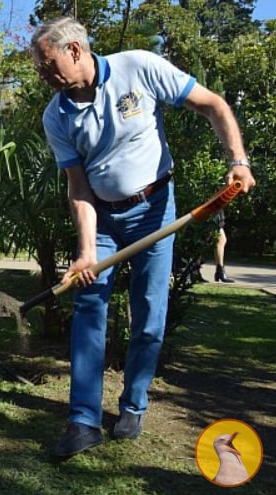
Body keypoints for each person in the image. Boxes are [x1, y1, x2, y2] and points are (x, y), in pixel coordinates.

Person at [30, 17, 255, 460]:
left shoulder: (138, 67)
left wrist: (239, 160)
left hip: (155, 211)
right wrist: (88, 251)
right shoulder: (55, 115)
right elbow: (78, 186)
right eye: (40, 67)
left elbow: (212, 104)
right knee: (89, 307)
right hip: (103, 218)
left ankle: (133, 404)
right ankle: (83, 422)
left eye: (47, 64)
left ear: (74, 50)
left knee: (150, 312)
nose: (43, 75)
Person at [213, 211, 235, 283]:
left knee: (219, 240)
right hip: (213, 208)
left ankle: (219, 271)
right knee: (220, 240)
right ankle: (220, 271)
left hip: (215, 208)